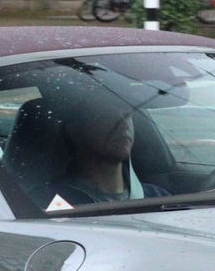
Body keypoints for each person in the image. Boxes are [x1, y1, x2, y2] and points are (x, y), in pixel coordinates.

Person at [45, 80, 163, 209]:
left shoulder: (158, 198)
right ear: (75, 132)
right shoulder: (47, 203)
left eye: (127, 115)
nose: (123, 124)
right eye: (107, 117)